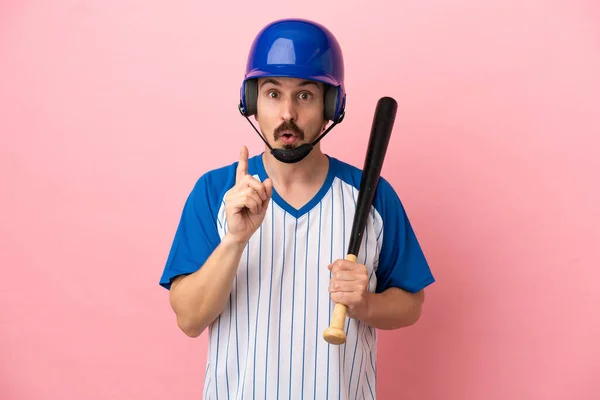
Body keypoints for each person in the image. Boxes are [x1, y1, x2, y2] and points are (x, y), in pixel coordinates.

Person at [159, 18, 435, 399]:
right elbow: (189, 320)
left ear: (331, 106)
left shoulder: (372, 196)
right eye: (273, 94)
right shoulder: (215, 191)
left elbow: (411, 306)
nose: (287, 112)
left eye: (304, 96)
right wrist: (234, 241)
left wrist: (365, 304)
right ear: (253, 103)